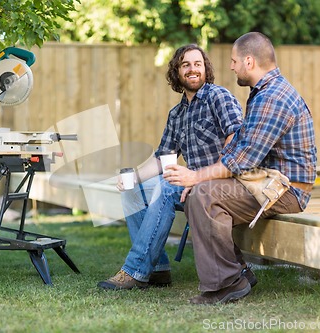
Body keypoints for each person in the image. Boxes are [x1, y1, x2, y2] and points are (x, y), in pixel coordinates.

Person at [164, 32, 317, 304]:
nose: (231, 67)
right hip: (265, 182)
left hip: (286, 190)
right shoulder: (262, 93)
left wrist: (196, 177)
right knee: (198, 194)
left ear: (249, 61)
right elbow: (237, 150)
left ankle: (227, 283)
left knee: (203, 196)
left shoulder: (273, 97)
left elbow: (242, 160)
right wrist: (198, 180)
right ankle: (237, 273)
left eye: (234, 61)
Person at [97, 44, 252, 290]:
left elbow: (237, 141)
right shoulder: (177, 114)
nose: (192, 69)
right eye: (186, 64)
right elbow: (162, 158)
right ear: (177, 71)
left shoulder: (218, 97)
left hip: (222, 184)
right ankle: (158, 269)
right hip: (189, 185)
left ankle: (135, 270)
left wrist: (200, 178)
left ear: (205, 69)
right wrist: (132, 177)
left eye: (197, 64)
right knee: (133, 189)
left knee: (167, 187)